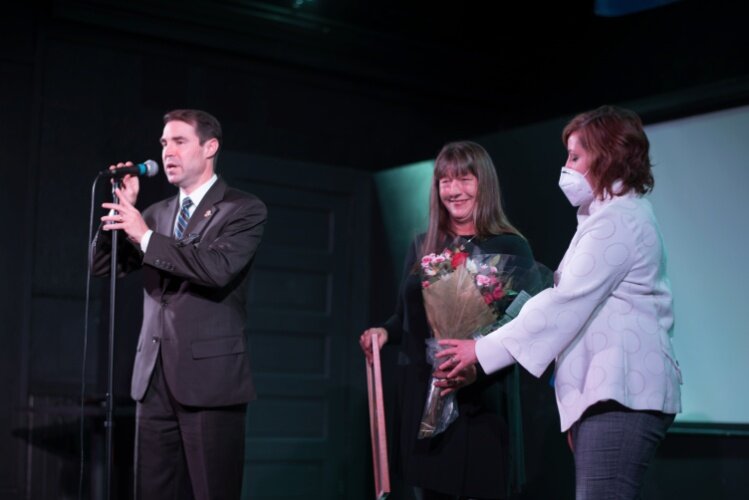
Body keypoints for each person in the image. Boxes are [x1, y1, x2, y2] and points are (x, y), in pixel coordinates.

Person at [438, 105, 682, 500]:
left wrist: (481, 350)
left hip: (621, 394)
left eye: (575, 157)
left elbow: (564, 303)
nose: (566, 168)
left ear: (606, 156)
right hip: (608, 394)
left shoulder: (619, 219)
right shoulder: (607, 217)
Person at [91, 109, 267, 500]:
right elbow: (104, 266)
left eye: (179, 141)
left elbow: (216, 268)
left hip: (211, 380)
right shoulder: (155, 214)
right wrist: (121, 208)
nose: (167, 151)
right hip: (153, 379)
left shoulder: (243, 209)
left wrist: (146, 237)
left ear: (210, 147)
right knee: (152, 491)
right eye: (163, 143)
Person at [360, 141, 535, 500]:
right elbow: (404, 316)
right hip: (424, 397)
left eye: (464, 179)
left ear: (483, 183)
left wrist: (473, 360)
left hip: (479, 398)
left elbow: (522, 325)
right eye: (445, 181)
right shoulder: (424, 244)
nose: (454, 191)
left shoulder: (510, 247)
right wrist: (383, 332)